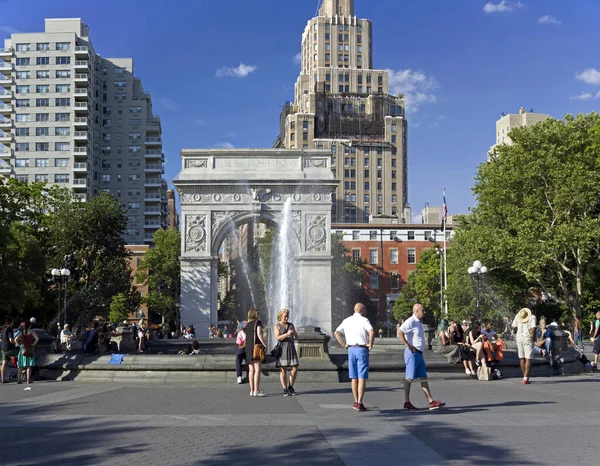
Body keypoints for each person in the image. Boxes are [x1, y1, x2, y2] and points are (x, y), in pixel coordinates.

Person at [398, 303, 445, 410]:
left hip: (419, 353)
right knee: (409, 378)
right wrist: (408, 345)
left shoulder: (418, 322)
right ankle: (407, 402)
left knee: (423, 377)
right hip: (412, 353)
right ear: (416, 311)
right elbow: (400, 331)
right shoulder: (411, 321)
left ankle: (431, 401)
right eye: (422, 310)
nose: (424, 312)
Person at [334, 303, 374, 412]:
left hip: (351, 349)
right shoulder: (365, 320)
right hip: (361, 349)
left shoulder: (347, 320)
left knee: (353, 377)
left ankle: (355, 401)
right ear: (363, 310)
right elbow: (371, 331)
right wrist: (370, 344)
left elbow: (336, 332)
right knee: (362, 377)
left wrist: (343, 344)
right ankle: (360, 402)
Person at [274, 308, 300, 396]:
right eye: (285, 316)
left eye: (287, 316)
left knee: (295, 367)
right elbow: (277, 337)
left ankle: (290, 386)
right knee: (283, 370)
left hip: (291, 348)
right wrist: (287, 334)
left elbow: (296, 337)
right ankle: (285, 388)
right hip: (282, 349)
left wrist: (294, 333)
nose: (286, 318)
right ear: (280, 316)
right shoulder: (277, 325)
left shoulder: (291, 325)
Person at [245, 309, 267, 396]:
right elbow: (259, 334)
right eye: (258, 313)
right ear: (255, 315)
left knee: (251, 370)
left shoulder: (248, 324)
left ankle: (251, 390)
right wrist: (264, 344)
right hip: (256, 347)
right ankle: (256, 390)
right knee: (257, 369)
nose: (259, 315)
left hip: (248, 348)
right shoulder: (258, 322)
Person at [512, 307, 536, 384]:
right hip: (527, 338)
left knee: (522, 358)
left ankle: (525, 377)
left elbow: (513, 326)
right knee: (528, 358)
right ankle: (525, 378)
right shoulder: (532, 317)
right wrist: (533, 338)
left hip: (519, 338)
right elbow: (533, 328)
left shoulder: (517, 316)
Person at [15, 320, 39, 385]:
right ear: (30, 326)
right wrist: (33, 344)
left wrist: (20, 345)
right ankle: (28, 380)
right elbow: (37, 338)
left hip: (22, 349)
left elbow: (16, 339)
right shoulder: (31, 332)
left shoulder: (22, 332)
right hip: (29, 348)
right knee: (28, 366)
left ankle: (19, 380)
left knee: (21, 366)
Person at [1, 317, 19, 383]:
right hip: (9, 349)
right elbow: (11, 340)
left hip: (3, 349)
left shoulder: (3, 328)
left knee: (3, 364)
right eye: (13, 322)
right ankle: (20, 375)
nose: (13, 323)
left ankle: (3, 379)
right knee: (19, 356)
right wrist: (17, 343)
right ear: (11, 322)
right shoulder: (9, 329)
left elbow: (1, 339)